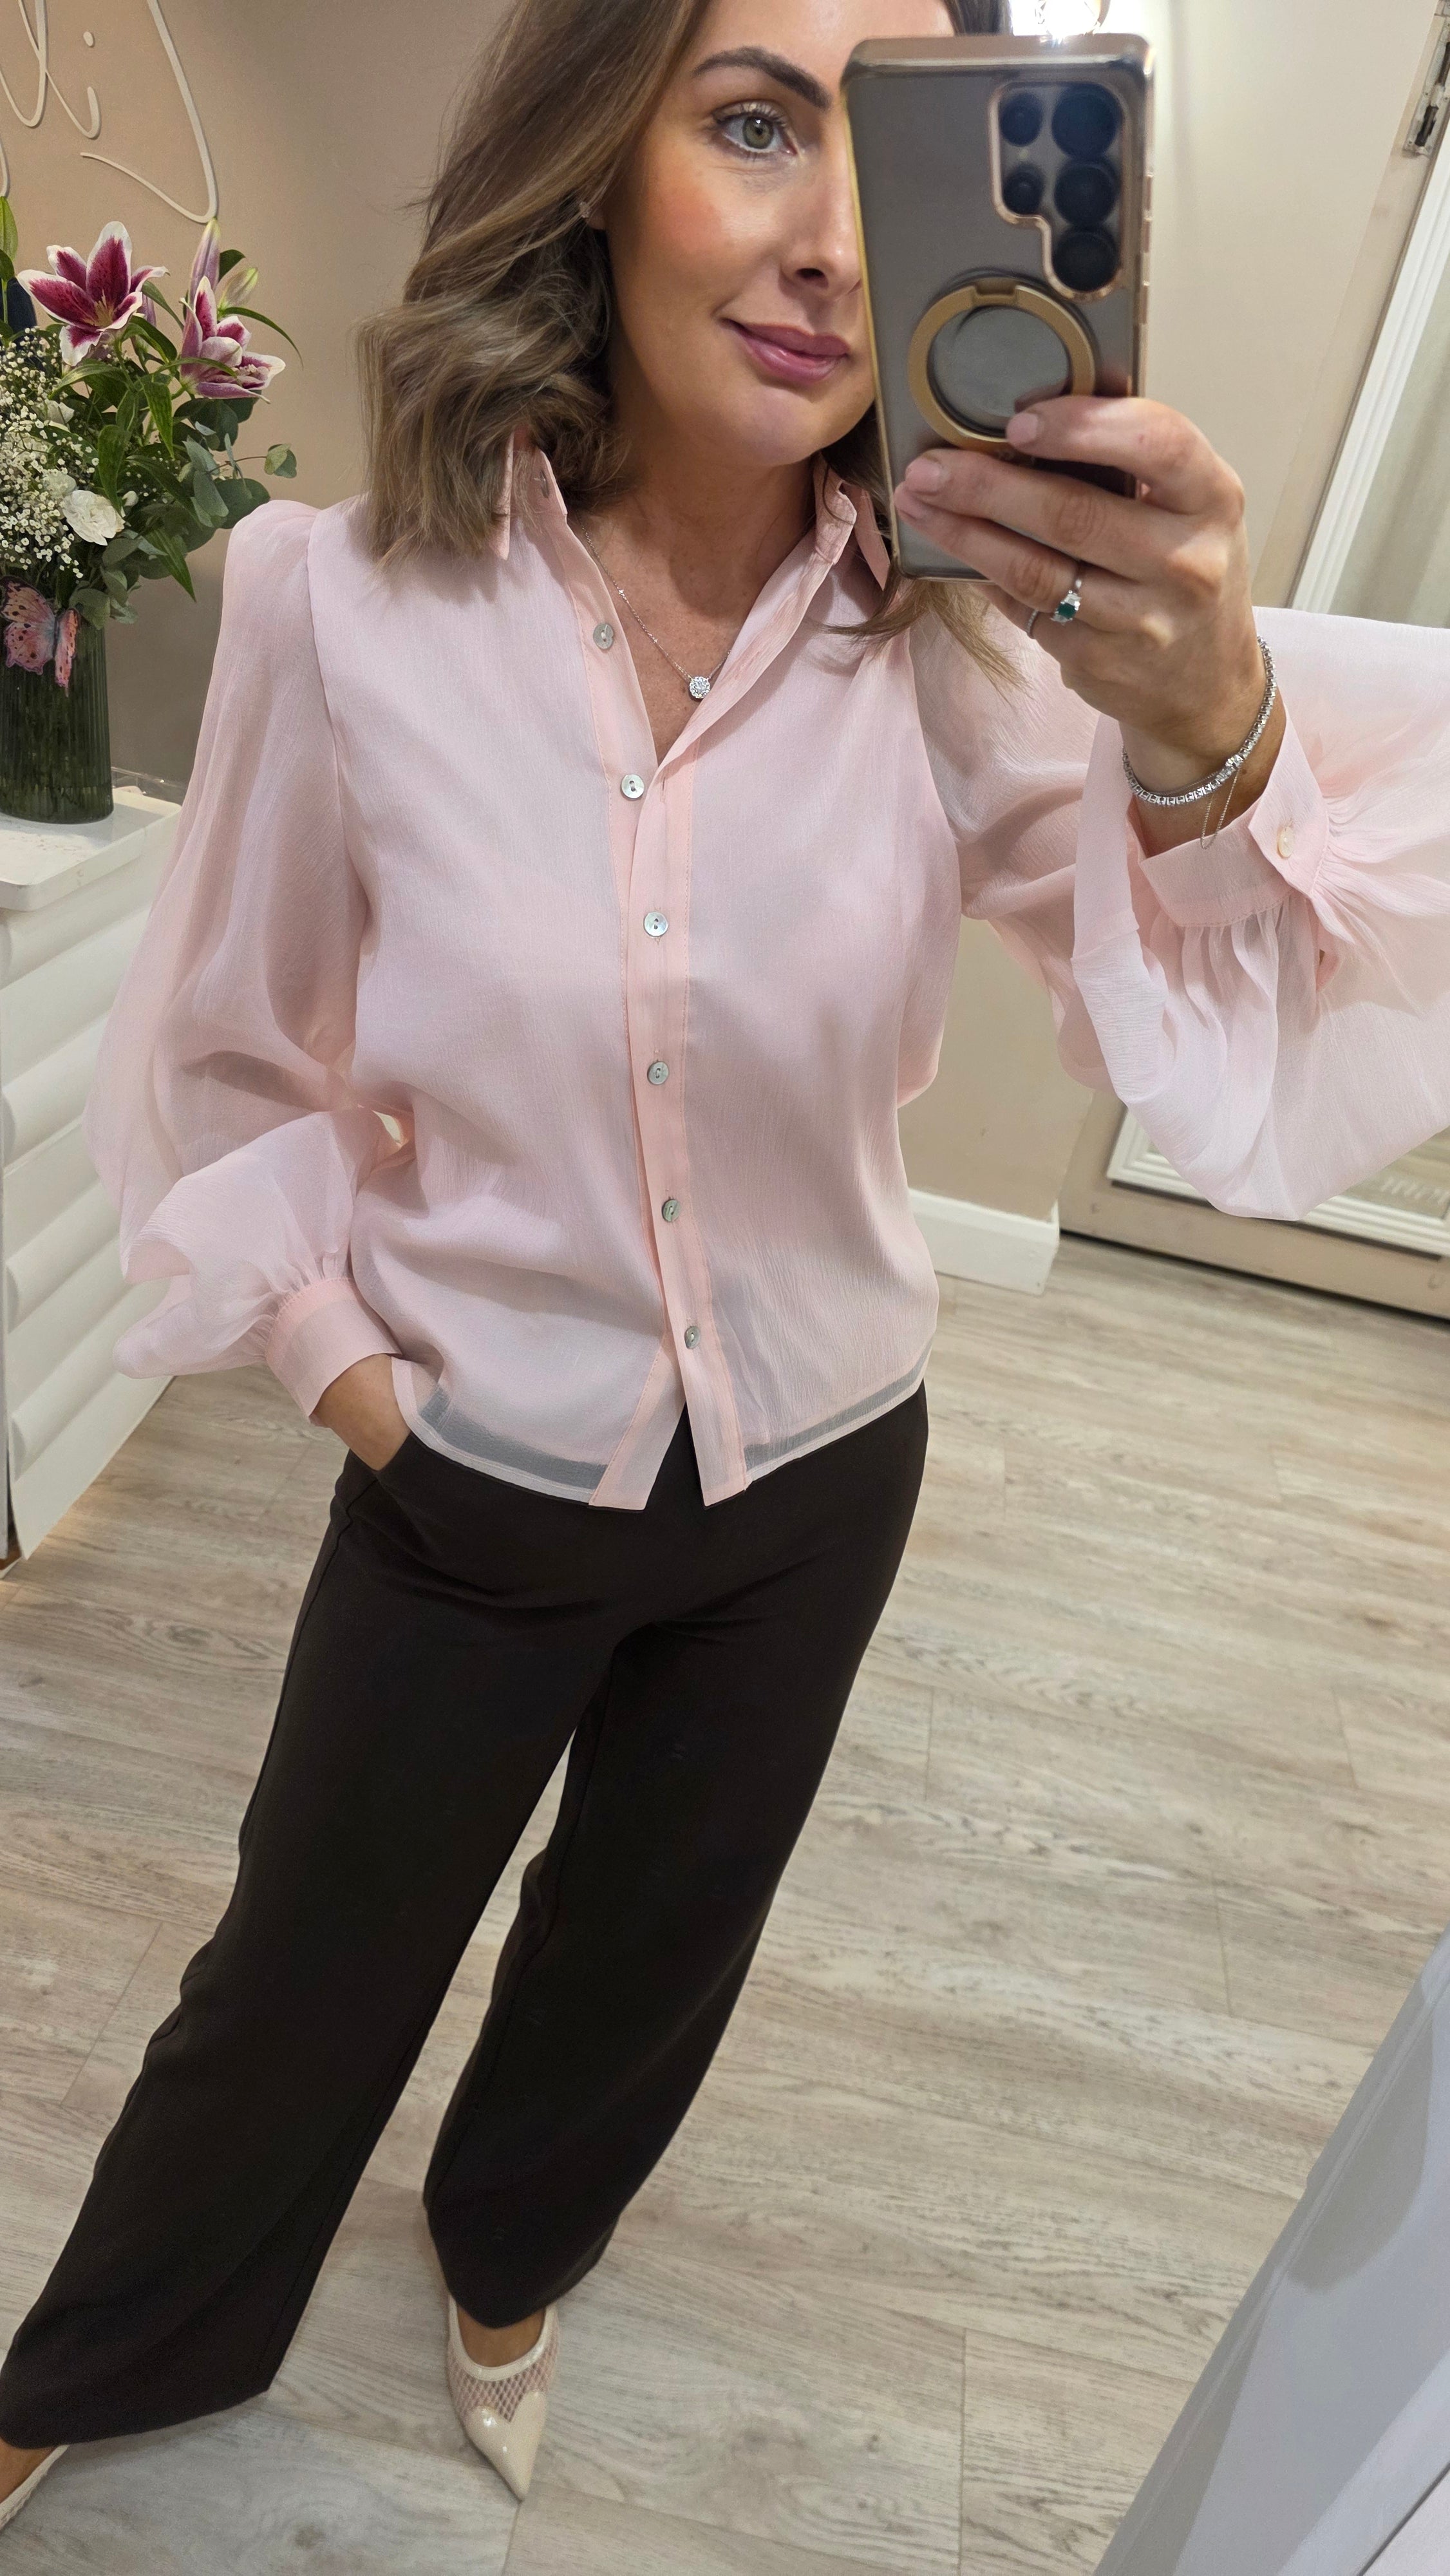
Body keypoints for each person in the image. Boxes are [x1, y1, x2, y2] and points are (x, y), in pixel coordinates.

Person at [3, 0, 1449, 2534]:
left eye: (889, 154)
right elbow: (230, 1057)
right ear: (597, 154)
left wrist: (1201, 711)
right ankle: (111, 2351)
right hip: (470, 1464)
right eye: (755, 120)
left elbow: (1223, 1055)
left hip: (815, 1464)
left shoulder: (959, 649)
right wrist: (356, 1378)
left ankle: (507, 2257)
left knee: (647, 1953)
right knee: (302, 1969)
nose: (825, 243)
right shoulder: (339, 602)